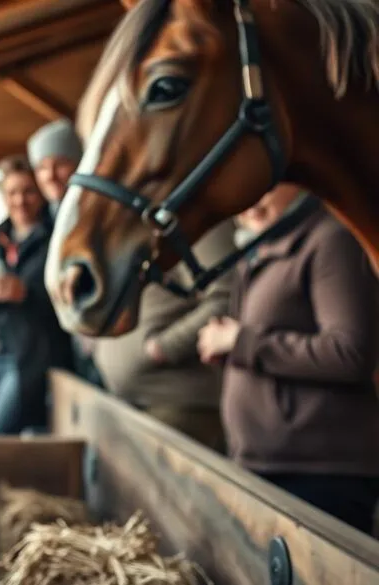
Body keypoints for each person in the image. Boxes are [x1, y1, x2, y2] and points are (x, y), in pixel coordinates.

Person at [197, 184, 379, 535]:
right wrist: (232, 348)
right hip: (267, 463)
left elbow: (349, 352)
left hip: (319, 472)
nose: (249, 201)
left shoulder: (331, 241)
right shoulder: (264, 241)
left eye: (265, 187)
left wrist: (242, 341)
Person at [91, 218, 236, 453]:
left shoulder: (198, 224)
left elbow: (226, 296)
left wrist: (163, 347)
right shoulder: (146, 225)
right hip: (135, 401)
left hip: (180, 403)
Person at [0, 155, 74, 435]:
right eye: (12, 192)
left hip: (28, 360)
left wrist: (26, 294)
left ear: (41, 194)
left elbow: (71, 304)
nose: (20, 200)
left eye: (28, 191)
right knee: (5, 434)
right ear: (3, 196)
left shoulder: (57, 240)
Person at [26, 119, 103, 388]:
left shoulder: (98, 214)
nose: (50, 175)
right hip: (57, 346)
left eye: (60, 164)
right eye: (42, 167)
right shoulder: (42, 221)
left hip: (99, 343)